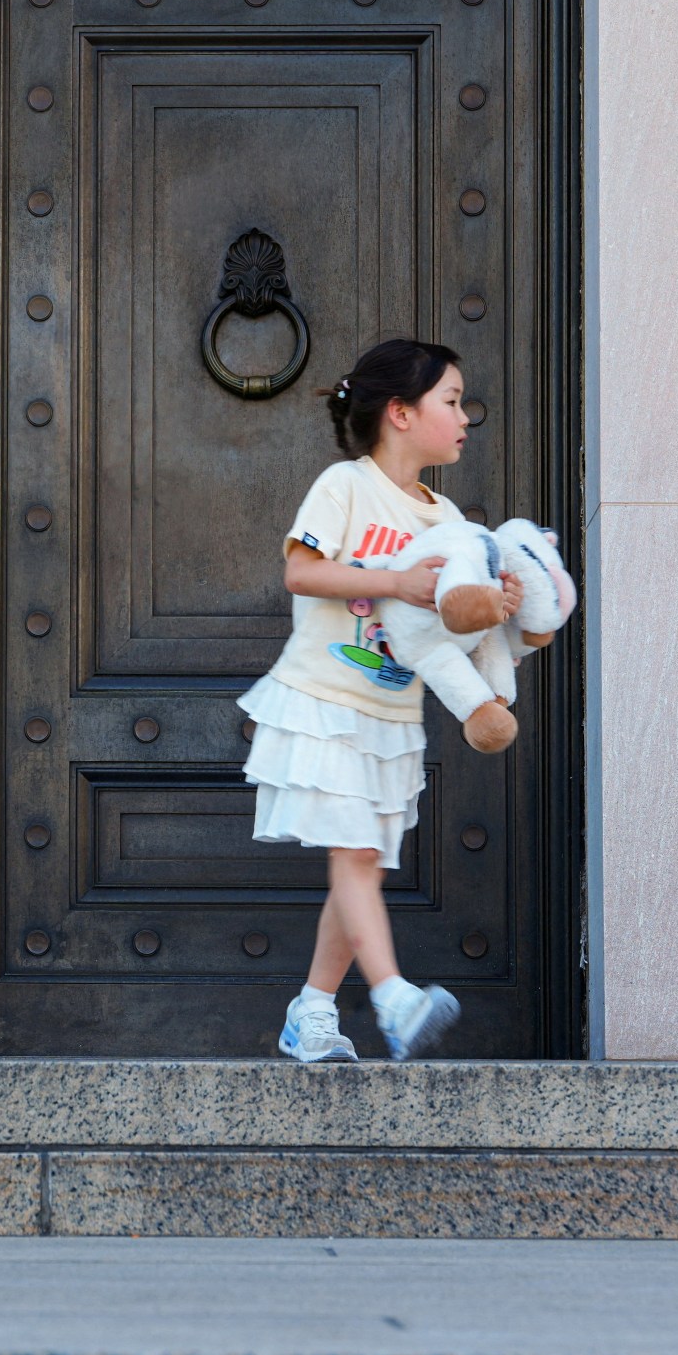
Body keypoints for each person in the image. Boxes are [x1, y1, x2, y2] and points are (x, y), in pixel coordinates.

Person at [239, 339, 520, 1063]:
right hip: (324, 699)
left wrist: (499, 609)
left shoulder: (449, 517)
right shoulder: (346, 486)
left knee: (361, 865)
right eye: (451, 401)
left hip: (392, 715)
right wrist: (394, 582)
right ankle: (394, 999)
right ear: (400, 412)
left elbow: (446, 627)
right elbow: (301, 573)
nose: (465, 416)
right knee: (357, 854)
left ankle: (313, 1010)